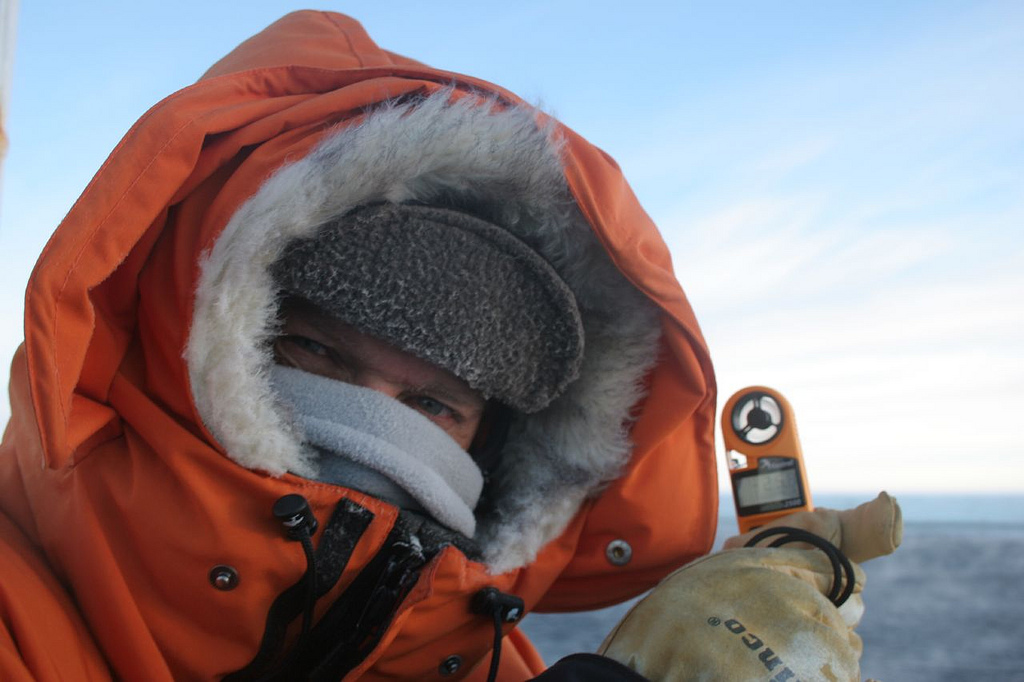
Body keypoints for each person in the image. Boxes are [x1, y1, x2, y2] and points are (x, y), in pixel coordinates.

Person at [0, 11, 895, 682]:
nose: (371, 431)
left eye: (434, 406)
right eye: (315, 353)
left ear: (496, 448)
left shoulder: (475, 655)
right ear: (192, 341)